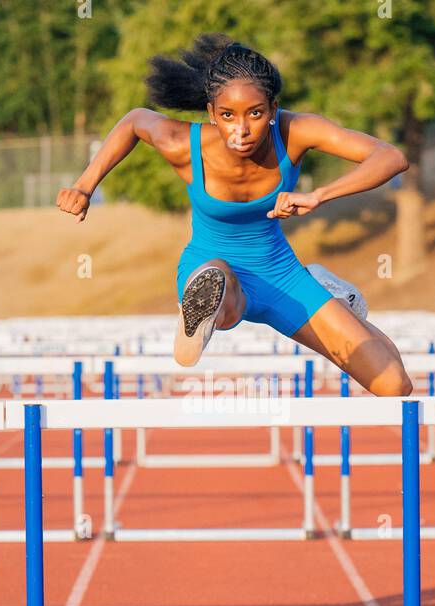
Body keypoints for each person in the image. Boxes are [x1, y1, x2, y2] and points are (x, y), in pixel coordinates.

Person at [56, 33, 412, 395]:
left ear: (273, 109)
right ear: (212, 113)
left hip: (283, 277)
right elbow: (135, 121)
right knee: (220, 286)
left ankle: (325, 295)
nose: (241, 131)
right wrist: (85, 185)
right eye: (227, 116)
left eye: (255, 114)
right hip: (209, 267)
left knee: (394, 384)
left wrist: (319, 196)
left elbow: (391, 157)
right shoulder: (184, 145)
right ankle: (205, 307)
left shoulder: (296, 132)